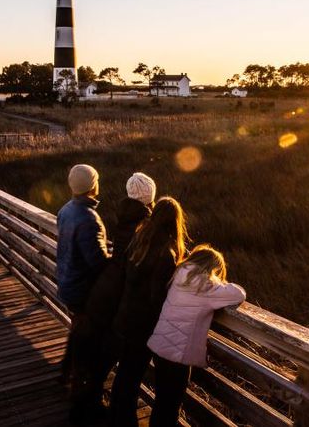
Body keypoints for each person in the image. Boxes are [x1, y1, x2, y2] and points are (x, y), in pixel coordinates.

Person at [69, 172, 157, 421]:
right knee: (123, 374)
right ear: (150, 198)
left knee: (99, 364)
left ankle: (87, 407)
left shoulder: (123, 218)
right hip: (126, 309)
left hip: (106, 299)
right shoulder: (145, 226)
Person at [108, 197, 188, 427]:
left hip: (125, 318)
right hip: (143, 327)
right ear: (175, 221)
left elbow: (124, 272)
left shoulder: (140, 238)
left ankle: (117, 418)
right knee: (131, 377)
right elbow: (157, 297)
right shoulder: (167, 251)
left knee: (126, 375)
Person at [146, 245, 246, 427]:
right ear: (211, 267)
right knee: (171, 406)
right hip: (178, 356)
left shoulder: (179, 273)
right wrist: (219, 282)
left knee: (162, 401)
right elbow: (238, 294)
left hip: (160, 349)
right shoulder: (206, 286)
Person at [56, 164, 110, 403]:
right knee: (86, 341)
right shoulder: (89, 219)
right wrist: (114, 258)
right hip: (82, 290)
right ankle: (79, 394)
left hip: (67, 281)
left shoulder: (66, 210)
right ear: (93, 186)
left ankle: (64, 372)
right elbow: (97, 262)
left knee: (78, 329)